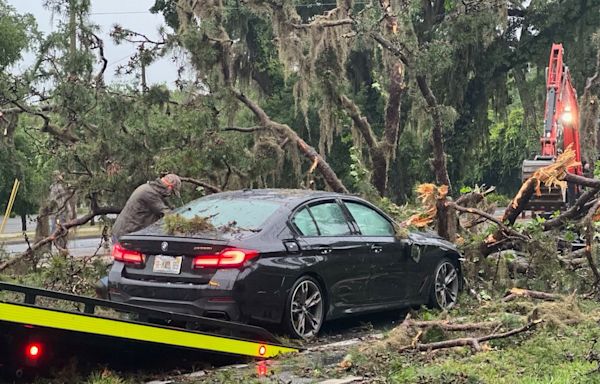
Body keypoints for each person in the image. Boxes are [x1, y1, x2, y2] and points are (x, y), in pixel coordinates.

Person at [111, 174, 182, 243]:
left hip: (128, 233)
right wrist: (183, 221)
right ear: (169, 187)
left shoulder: (151, 189)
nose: (170, 195)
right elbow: (167, 213)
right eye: (172, 192)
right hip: (125, 234)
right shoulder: (149, 193)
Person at [48, 171, 76, 249]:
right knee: (54, 228)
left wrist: (69, 210)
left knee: (62, 228)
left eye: (56, 176)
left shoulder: (61, 186)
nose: (55, 177)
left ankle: (62, 245)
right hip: (54, 212)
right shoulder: (52, 187)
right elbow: (51, 200)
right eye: (54, 176)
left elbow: (65, 198)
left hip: (61, 210)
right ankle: (52, 244)